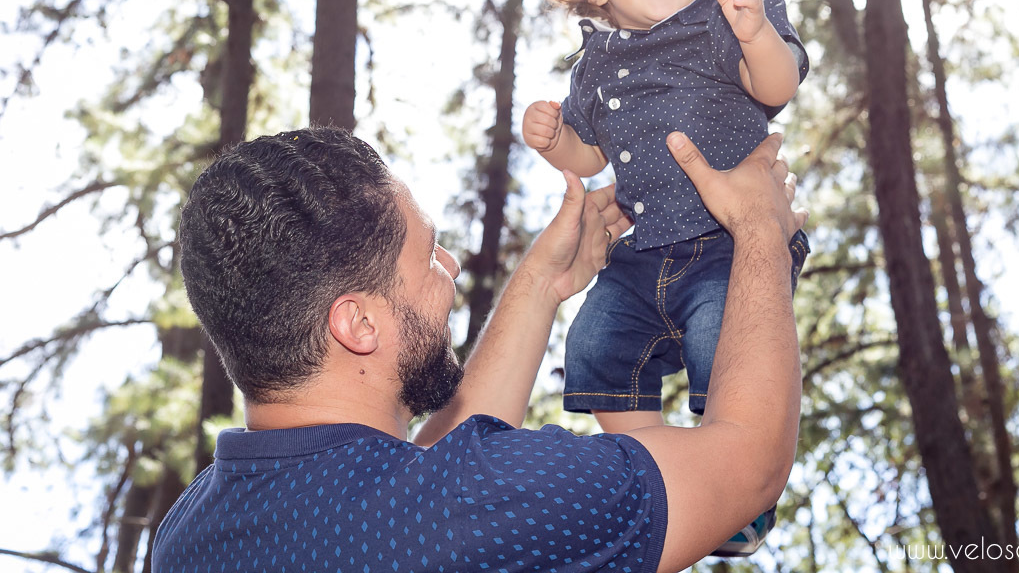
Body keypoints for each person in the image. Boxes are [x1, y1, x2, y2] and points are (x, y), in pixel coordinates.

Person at [152, 125, 806, 573]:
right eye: (428, 255)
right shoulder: (490, 502)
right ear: (358, 324)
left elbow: (418, 486)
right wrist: (759, 228)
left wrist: (543, 282)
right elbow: (748, 464)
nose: (452, 265)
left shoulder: (187, 536)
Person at [517, 0, 809, 555]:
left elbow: (777, 87)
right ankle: (666, 479)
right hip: (641, 254)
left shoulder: (722, 18)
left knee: (720, 342)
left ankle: (741, 488)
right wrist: (556, 142)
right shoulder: (594, 65)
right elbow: (590, 155)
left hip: (728, 243)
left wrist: (755, 33)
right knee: (592, 349)